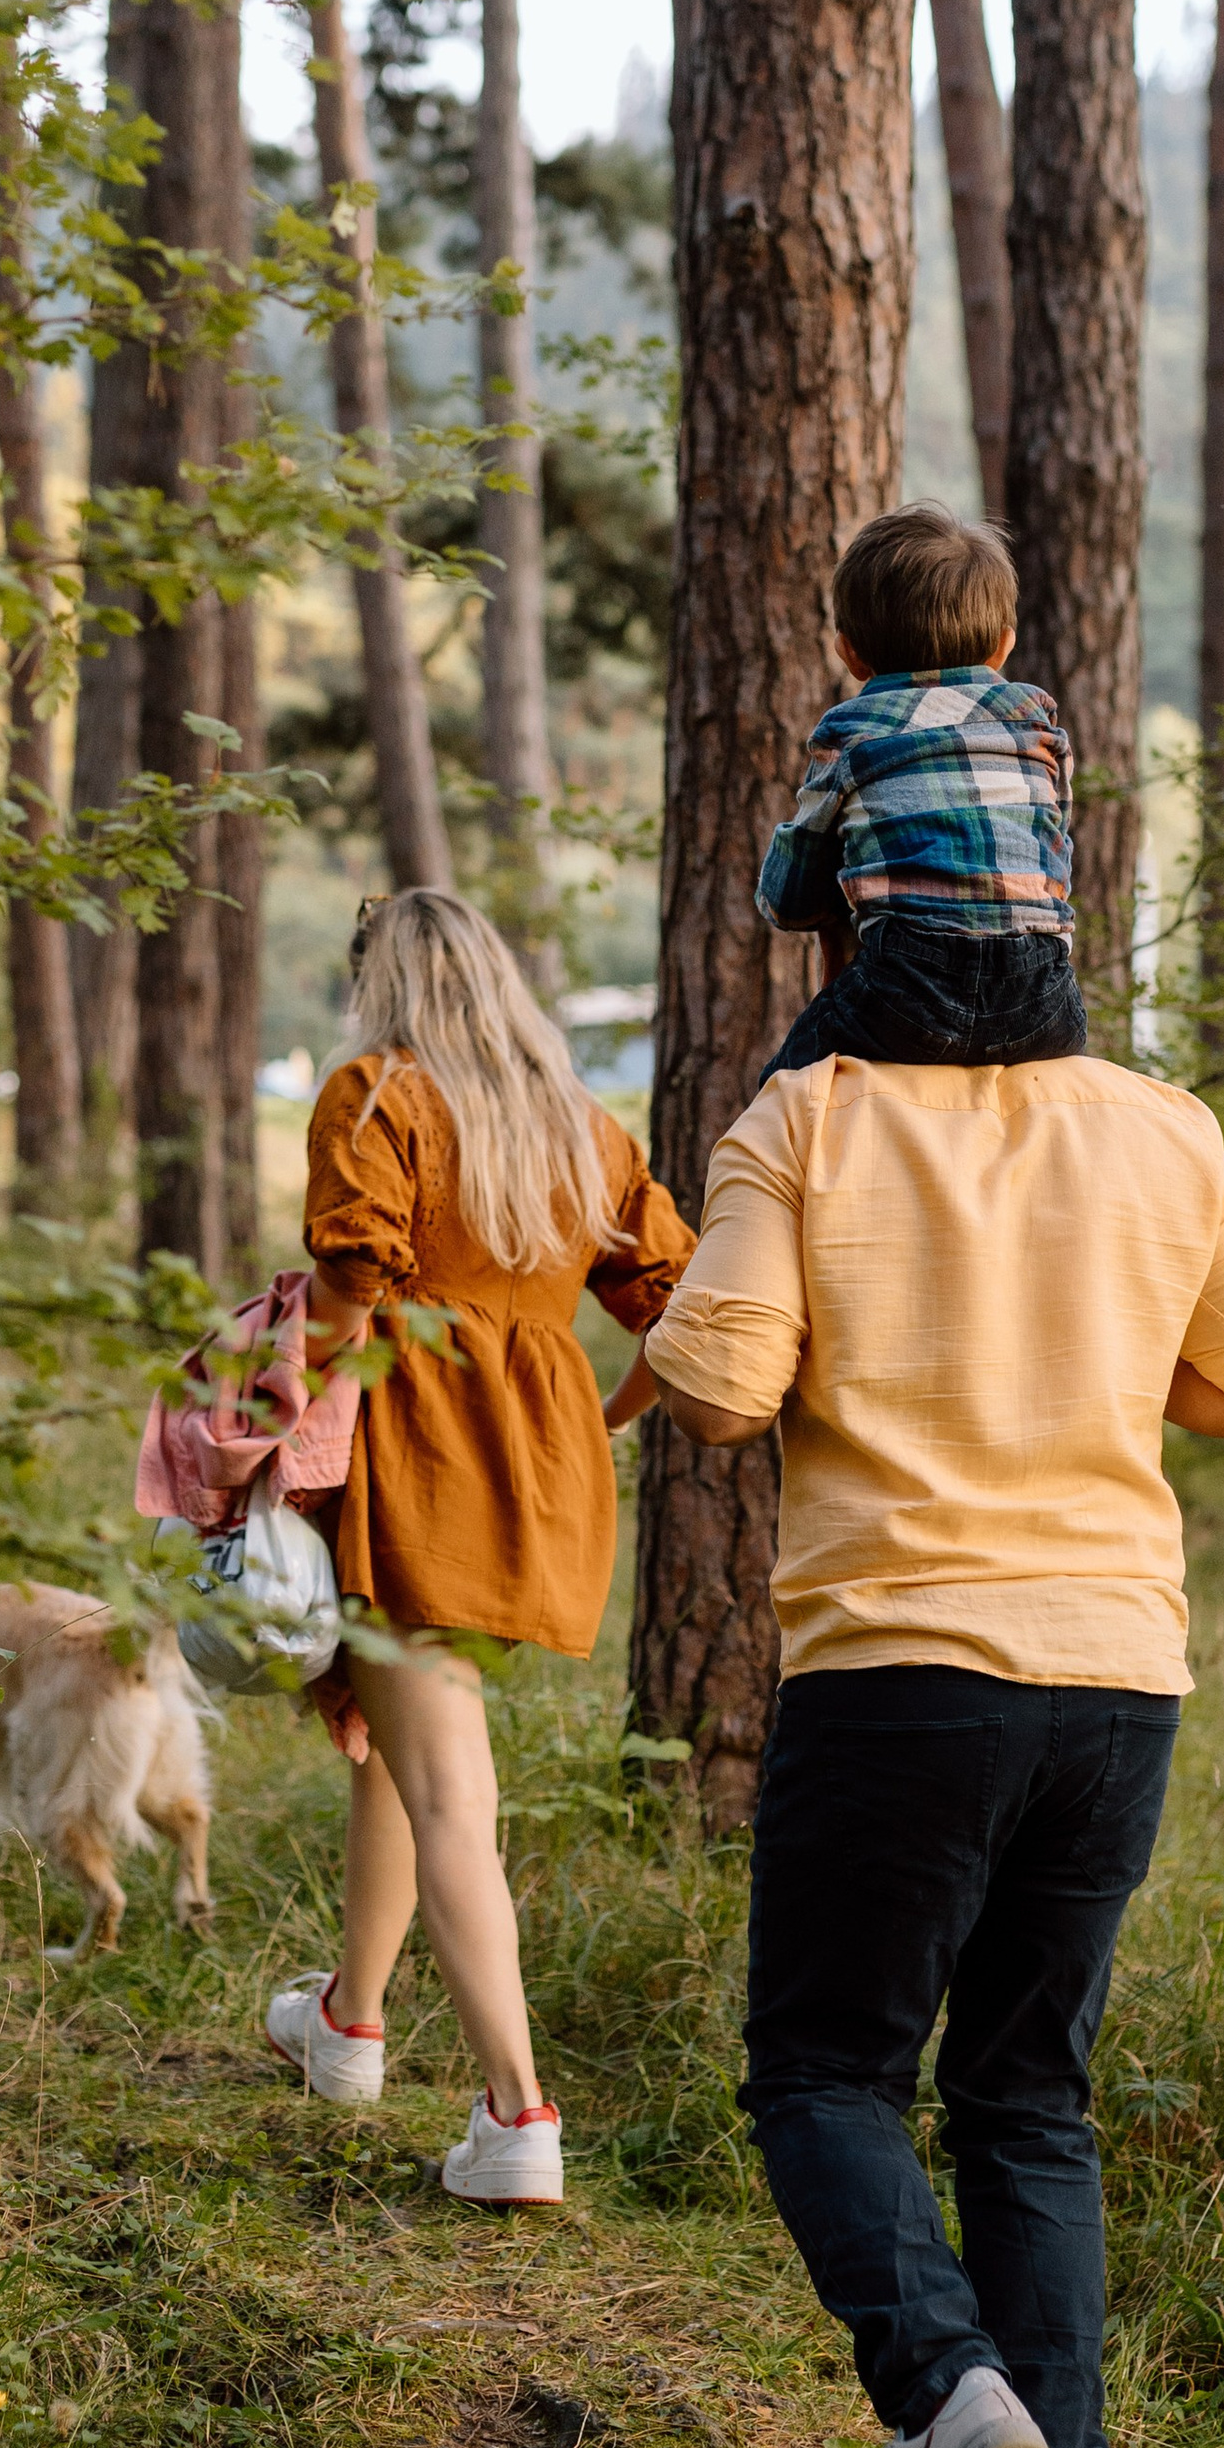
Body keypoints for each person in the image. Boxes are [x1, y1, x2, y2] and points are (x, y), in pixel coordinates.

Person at [643, 1043, 1224, 2448]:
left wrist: (689, 1320)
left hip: (903, 1669)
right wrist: (1090, 1351)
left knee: (823, 2074)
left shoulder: (811, 1113)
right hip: (1115, 1681)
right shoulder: (1158, 1123)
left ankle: (950, 2392)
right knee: (1029, 2091)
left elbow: (726, 1384)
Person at [262, 889, 694, 2207]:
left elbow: (349, 1292)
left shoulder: (377, 1097)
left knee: (448, 1786)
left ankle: (519, 2115)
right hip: (540, 1479)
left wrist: (269, 1438)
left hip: (418, 1457)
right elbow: (683, 1301)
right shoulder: (578, 1128)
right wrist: (602, 1418)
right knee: (403, 1743)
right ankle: (349, 2022)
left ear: (380, 983)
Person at [755, 503, 1086, 1080]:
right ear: (1004, 646)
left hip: (907, 994)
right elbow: (1054, 857)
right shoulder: (1038, 727)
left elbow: (792, 897)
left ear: (849, 651)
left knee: (781, 1090)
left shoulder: (852, 731)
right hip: (1045, 1000)